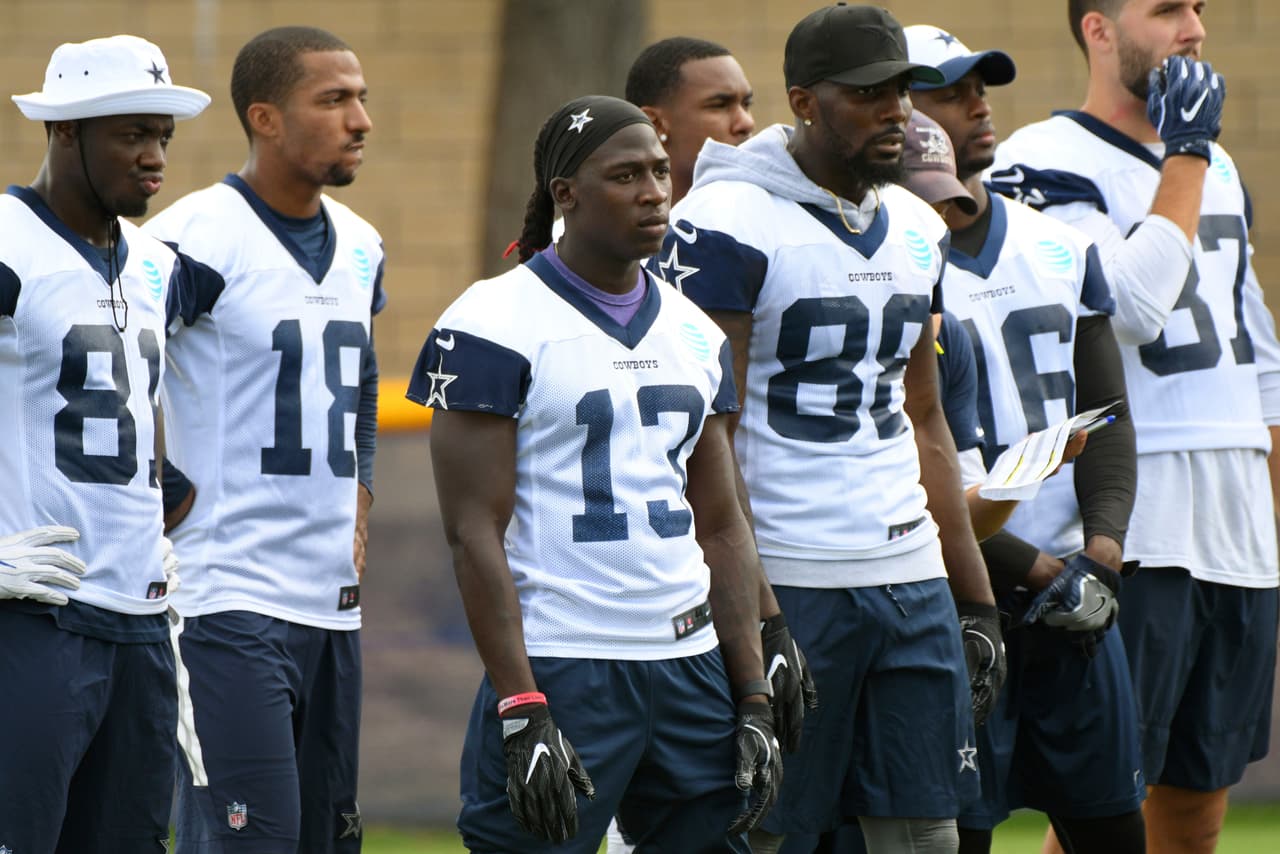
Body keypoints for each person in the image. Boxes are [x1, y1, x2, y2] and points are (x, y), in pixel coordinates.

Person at [650, 6, 1005, 853]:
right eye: (869, 94)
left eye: (903, 91)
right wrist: (753, 611)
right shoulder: (727, 219)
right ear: (805, 101)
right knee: (772, 832)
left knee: (927, 832)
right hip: (793, 567)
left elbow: (925, 420)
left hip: (908, 566)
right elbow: (707, 435)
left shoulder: (919, 226)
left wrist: (976, 594)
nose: (897, 112)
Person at [412, 94, 782, 853]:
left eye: (657, 170)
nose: (653, 191)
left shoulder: (694, 330)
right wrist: (521, 703)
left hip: (687, 662)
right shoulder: (490, 321)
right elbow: (471, 530)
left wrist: (752, 693)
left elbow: (720, 522)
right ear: (566, 195)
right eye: (625, 176)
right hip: (565, 660)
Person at [988, 3, 1280, 853]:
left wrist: (1268, 514)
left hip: (1234, 516)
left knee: (1197, 808)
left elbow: (1256, 349)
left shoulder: (1217, 163)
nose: (1193, 30)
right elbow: (1135, 309)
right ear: (1099, 29)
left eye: (1198, 9)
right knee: (1106, 806)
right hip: (1139, 511)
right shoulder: (1039, 161)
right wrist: (1186, 151)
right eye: (1165, 10)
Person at [907, 24, 1146, 854]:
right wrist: (1036, 570)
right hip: (950, 589)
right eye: (948, 91)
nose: (977, 106)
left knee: (1114, 829)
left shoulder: (1059, 245)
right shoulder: (885, 266)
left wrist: (1102, 555)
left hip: (1075, 593)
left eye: (981, 88)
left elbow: (1107, 413)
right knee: (959, 837)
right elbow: (902, 463)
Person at [143, 26, 383, 852]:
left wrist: (362, 495)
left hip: (330, 605)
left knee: (328, 841)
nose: (360, 119)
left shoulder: (362, 244)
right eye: (334, 100)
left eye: (361, 98)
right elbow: (115, 363)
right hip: (224, 597)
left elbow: (360, 383)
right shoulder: (193, 237)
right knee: (252, 843)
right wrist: (158, 484)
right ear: (267, 118)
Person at [0, 34, 211, 852]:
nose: (154, 157)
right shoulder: (10, 245)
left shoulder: (154, 262)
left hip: (142, 623)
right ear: (63, 133)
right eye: (130, 134)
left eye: (162, 135)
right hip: (34, 614)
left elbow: (136, 406)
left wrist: (151, 523)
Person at [625, 36, 755, 205]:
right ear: (655, 125)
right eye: (719, 105)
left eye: (746, 104)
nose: (746, 123)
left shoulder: (765, 220)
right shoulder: (611, 229)